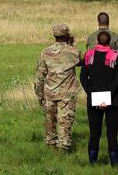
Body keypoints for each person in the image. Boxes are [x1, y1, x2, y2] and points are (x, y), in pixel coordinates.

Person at [80, 30, 118, 166]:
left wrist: (93, 95)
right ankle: (115, 164)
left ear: (97, 41)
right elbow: (116, 80)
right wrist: (107, 97)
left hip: (93, 99)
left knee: (94, 133)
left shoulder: (89, 55)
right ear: (110, 42)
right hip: (113, 100)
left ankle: (93, 163)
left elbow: (83, 78)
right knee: (112, 135)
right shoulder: (115, 56)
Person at [35, 23, 81, 152]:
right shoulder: (74, 52)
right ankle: (63, 151)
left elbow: (39, 76)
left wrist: (39, 94)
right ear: (67, 35)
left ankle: (51, 147)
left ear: (54, 35)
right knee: (65, 124)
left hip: (49, 93)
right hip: (67, 95)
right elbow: (83, 62)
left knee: (50, 122)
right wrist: (71, 43)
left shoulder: (45, 52)